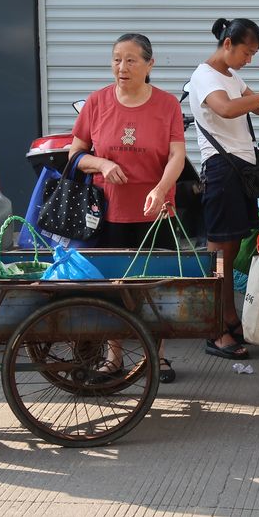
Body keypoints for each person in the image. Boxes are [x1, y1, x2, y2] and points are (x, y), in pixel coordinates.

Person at [70, 33, 186, 383]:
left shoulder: (167, 105)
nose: (122, 67)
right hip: (109, 212)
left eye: (131, 59)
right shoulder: (97, 102)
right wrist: (102, 165)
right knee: (112, 285)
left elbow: (178, 155)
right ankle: (114, 356)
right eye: (117, 59)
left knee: (157, 286)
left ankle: (158, 356)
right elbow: (75, 155)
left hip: (156, 211)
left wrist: (162, 188)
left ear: (150, 64)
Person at [190, 18, 259, 360]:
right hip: (221, 170)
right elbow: (227, 109)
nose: (249, 59)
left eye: (254, 54)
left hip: (239, 171)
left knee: (229, 253)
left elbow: (254, 107)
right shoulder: (204, 75)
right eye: (247, 52)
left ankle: (228, 316)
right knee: (219, 254)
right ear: (227, 43)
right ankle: (214, 328)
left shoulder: (232, 76)